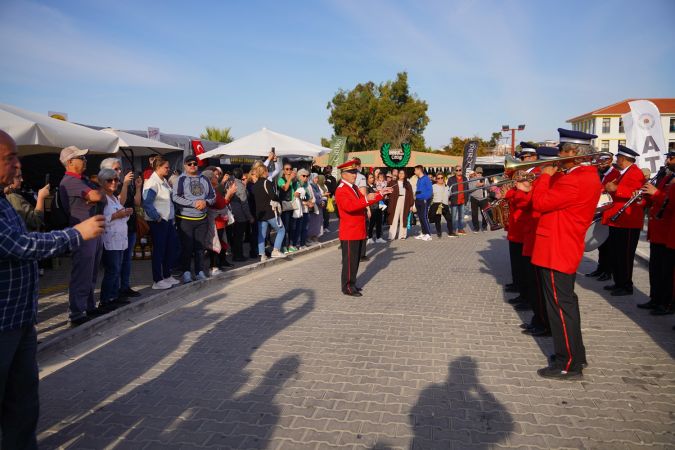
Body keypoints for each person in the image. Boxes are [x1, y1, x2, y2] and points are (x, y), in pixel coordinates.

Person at [0, 130, 105, 449]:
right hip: (2, 325)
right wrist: (75, 234)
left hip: (20, 319)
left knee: (23, 400)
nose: (19, 165)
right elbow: (20, 245)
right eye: (10, 158)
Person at [530, 129, 601, 380]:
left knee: (560, 308)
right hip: (561, 246)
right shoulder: (581, 175)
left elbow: (540, 203)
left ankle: (567, 362)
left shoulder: (577, 179)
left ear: (574, 153)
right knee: (565, 305)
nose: (558, 155)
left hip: (557, 248)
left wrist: (545, 177)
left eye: (562, 150)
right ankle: (574, 355)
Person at [58, 146, 106, 325]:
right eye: (81, 158)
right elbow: (97, 195)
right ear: (70, 162)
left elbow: (101, 195)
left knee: (91, 272)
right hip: (82, 233)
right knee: (82, 273)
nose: (85, 161)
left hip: (92, 230)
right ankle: (77, 313)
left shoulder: (83, 179)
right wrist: (96, 195)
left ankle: (89, 306)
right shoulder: (70, 181)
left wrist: (97, 194)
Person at [334, 159, 391, 296]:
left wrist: (380, 194)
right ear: (344, 174)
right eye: (352, 172)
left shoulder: (353, 188)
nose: (355, 174)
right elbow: (350, 207)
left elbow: (365, 199)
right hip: (349, 231)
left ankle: (352, 284)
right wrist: (366, 199)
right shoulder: (341, 190)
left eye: (355, 171)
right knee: (349, 262)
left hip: (357, 229)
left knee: (355, 261)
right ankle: (347, 287)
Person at [601, 145, 646, 296]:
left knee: (625, 255)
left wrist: (616, 190)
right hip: (618, 219)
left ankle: (626, 285)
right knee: (616, 253)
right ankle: (618, 281)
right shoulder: (623, 173)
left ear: (624, 159)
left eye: (618, 158)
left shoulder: (635, 173)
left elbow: (638, 193)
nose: (616, 160)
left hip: (627, 220)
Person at [100, 158, 143, 299]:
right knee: (114, 268)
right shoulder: (111, 188)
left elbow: (134, 203)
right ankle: (110, 296)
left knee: (124, 263)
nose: (118, 173)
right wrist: (123, 184)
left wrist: (137, 187)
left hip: (126, 231)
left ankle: (122, 289)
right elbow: (119, 204)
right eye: (116, 169)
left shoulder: (118, 186)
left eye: (119, 169)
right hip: (111, 237)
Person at [638, 151, 675, 315]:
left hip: (668, 232)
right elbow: (656, 199)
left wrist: (657, 194)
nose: (667, 160)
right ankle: (655, 298)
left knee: (668, 272)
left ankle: (666, 303)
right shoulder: (667, 177)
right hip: (658, 231)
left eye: (671, 158)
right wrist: (643, 198)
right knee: (656, 269)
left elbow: (669, 202)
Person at [173, 155, 215, 281]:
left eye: (195, 163)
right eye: (190, 164)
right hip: (185, 218)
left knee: (200, 248)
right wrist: (193, 203)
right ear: (185, 165)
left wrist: (206, 202)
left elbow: (212, 195)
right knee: (187, 247)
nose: (193, 166)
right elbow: (175, 197)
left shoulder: (205, 179)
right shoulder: (180, 180)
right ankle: (186, 272)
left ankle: (199, 271)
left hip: (202, 218)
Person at [143, 156, 181, 290]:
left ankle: (166, 275)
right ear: (158, 167)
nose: (168, 169)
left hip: (168, 220)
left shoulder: (163, 180)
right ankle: (157, 279)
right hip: (159, 221)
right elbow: (147, 203)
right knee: (159, 250)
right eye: (166, 167)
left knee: (169, 248)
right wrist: (156, 217)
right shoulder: (152, 182)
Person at [97, 168, 133, 309]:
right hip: (109, 239)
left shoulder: (113, 197)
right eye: (109, 180)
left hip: (120, 239)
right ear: (102, 182)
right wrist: (116, 216)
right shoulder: (101, 198)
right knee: (112, 270)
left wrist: (125, 213)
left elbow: (119, 216)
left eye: (116, 180)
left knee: (117, 270)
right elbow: (99, 219)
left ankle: (114, 296)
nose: (114, 183)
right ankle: (105, 300)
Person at [585, 154, 618, 281]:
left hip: (609, 210)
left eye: (603, 162)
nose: (600, 164)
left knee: (607, 244)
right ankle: (601, 268)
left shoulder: (615, 174)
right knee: (601, 244)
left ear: (609, 161)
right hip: (599, 211)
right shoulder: (599, 173)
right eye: (599, 162)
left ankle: (607, 271)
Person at [202, 169, 237, 275]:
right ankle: (213, 267)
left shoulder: (214, 189)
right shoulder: (209, 191)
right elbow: (221, 204)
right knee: (214, 245)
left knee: (221, 243)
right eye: (214, 176)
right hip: (215, 221)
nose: (217, 177)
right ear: (209, 179)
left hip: (220, 221)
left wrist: (229, 195)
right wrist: (229, 193)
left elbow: (223, 203)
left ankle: (219, 264)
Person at [252, 164, 286, 260]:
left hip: (260, 214)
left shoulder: (254, 186)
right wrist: (278, 199)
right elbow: (273, 196)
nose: (268, 172)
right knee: (281, 230)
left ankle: (262, 255)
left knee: (261, 235)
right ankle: (276, 250)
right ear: (264, 172)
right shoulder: (267, 183)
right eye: (267, 171)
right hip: (270, 212)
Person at [387, 169, 414, 240]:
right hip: (395, 201)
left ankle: (402, 235)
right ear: (398, 174)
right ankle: (391, 235)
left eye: (403, 173)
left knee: (403, 218)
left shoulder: (407, 184)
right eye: (400, 173)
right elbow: (387, 191)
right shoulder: (393, 182)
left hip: (405, 201)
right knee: (394, 218)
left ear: (405, 175)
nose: (401, 175)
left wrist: (411, 205)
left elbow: (411, 194)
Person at [278, 162, 298, 253]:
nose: (289, 171)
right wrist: (290, 179)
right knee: (285, 227)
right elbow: (285, 188)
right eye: (287, 169)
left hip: (292, 205)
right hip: (284, 206)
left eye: (290, 169)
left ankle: (290, 245)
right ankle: (283, 246)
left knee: (292, 227)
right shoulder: (280, 180)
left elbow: (295, 191)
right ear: (283, 171)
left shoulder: (293, 180)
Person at [429, 172, 454, 238]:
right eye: (438, 178)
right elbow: (430, 195)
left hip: (445, 205)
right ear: (436, 179)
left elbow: (449, 195)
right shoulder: (433, 186)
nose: (440, 179)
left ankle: (451, 232)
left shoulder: (447, 186)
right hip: (437, 204)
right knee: (437, 220)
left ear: (443, 178)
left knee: (449, 219)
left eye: (441, 178)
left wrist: (449, 200)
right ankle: (439, 232)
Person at [293, 168, 313, 249]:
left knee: (305, 228)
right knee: (298, 228)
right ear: (299, 176)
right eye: (303, 176)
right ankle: (295, 244)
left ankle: (302, 243)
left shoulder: (307, 185)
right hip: (299, 210)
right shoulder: (296, 184)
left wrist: (310, 202)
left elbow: (309, 196)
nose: (306, 177)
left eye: (307, 176)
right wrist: (307, 203)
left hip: (306, 209)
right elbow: (295, 197)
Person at [413, 165, 433, 241]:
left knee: (424, 217)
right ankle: (424, 233)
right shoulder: (419, 179)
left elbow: (430, 191)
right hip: (418, 200)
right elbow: (419, 190)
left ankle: (428, 234)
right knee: (420, 217)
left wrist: (425, 198)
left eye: (415, 170)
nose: (414, 172)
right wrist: (415, 196)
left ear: (419, 170)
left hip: (423, 200)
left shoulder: (426, 178)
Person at [447, 165, 468, 235]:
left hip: (462, 200)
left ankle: (460, 229)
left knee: (461, 217)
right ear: (455, 171)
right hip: (454, 200)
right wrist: (449, 199)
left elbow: (467, 189)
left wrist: (466, 199)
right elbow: (448, 190)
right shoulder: (451, 179)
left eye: (460, 170)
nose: (459, 171)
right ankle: (453, 229)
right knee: (453, 217)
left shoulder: (465, 178)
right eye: (457, 170)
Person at [468, 167, 489, 232]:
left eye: (480, 173)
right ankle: (476, 227)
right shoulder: (472, 179)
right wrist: (476, 186)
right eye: (478, 172)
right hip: (474, 198)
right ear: (475, 172)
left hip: (483, 198)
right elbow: (469, 189)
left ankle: (484, 226)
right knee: (474, 214)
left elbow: (489, 188)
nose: (479, 174)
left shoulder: (485, 179)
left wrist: (484, 185)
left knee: (485, 213)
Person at [366, 173, 384, 243]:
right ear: (367, 179)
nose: (372, 179)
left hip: (378, 207)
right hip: (372, 207)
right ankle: (370, 238)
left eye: (373, 177)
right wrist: (368, 210)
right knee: (371, 224)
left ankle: (378, 237)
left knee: (379, 223)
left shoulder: (375, 186)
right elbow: (368, 198)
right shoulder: (366, 187)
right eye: (370, 178)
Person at [307, 173, 325, 242]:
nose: (316, 180)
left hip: (319, 206)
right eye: (315, 178)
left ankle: (315, 235)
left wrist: (322, 201)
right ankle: (310, 236)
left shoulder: (316, 185)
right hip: (314, 206)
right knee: (312, 223)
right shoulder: (310, 185)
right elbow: (314, 195)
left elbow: (319, 194)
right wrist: (320, 199)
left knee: (318, 222)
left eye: (317, 178)